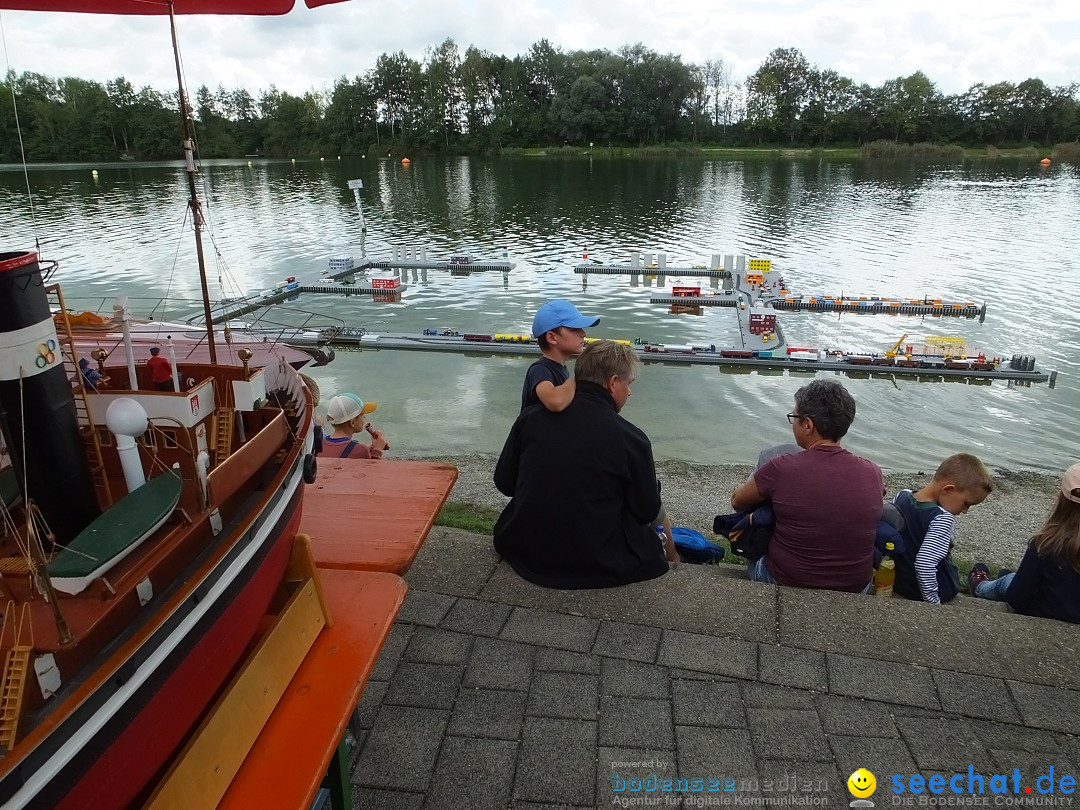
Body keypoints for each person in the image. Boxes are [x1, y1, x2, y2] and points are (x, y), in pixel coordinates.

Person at [495, 339, 678, 589]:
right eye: (629, 384)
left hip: (525, 551)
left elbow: (504, 483)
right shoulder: (631, 439)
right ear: (613, 383)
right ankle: (675, 559)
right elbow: (646, 511)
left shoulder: (530, 418)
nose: (630, 392)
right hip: (598, 563)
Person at [730, 379, 884, 593]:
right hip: (857, 586)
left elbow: (737, 502)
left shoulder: (781, 467)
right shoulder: (873, 471)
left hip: (786, 581)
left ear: (808, 425)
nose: (792, 423)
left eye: (794, 417)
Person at [969, 462, 1080, 623]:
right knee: (1011, 578)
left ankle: (979, 587)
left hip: (1041, 615)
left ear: (1061, 498)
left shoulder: (1045, 544)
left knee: (1007, 583)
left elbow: (1016, 600)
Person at [892, 453, 993, 604]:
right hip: (933, 589)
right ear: (948, 489)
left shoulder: (902, 495)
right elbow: (924, 563)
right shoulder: (942, 518)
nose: (965, 511)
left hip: (899, 581)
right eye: (966, 503)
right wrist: (933, 602)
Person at [520, 299, 599, 412]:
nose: (583, 334)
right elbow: (555, 402)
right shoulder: (539, 370)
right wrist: (576, 380)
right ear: (552, 338)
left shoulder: (561, 369)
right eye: (575, 329)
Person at [319, 393, 388, 459]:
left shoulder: (320, 444)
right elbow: (372, 469)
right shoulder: (361, 450)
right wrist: (377, 450)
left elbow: (339, 451)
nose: (365, 417)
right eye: (362, 414)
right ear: (353, 422)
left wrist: (371, 446)